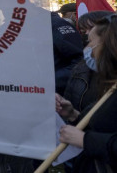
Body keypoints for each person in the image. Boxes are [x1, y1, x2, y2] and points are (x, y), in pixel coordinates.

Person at [57, 13, 117, 172]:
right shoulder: (111, 86)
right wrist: (73, 115)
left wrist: (85, 140)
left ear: (109, 46)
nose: (86, 49)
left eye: (90, 42)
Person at [52, 10, 84, 94]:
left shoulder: (56, 24)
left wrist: (50, 80)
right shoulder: (26, 24)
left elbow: (79, 60)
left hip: (58, 92)